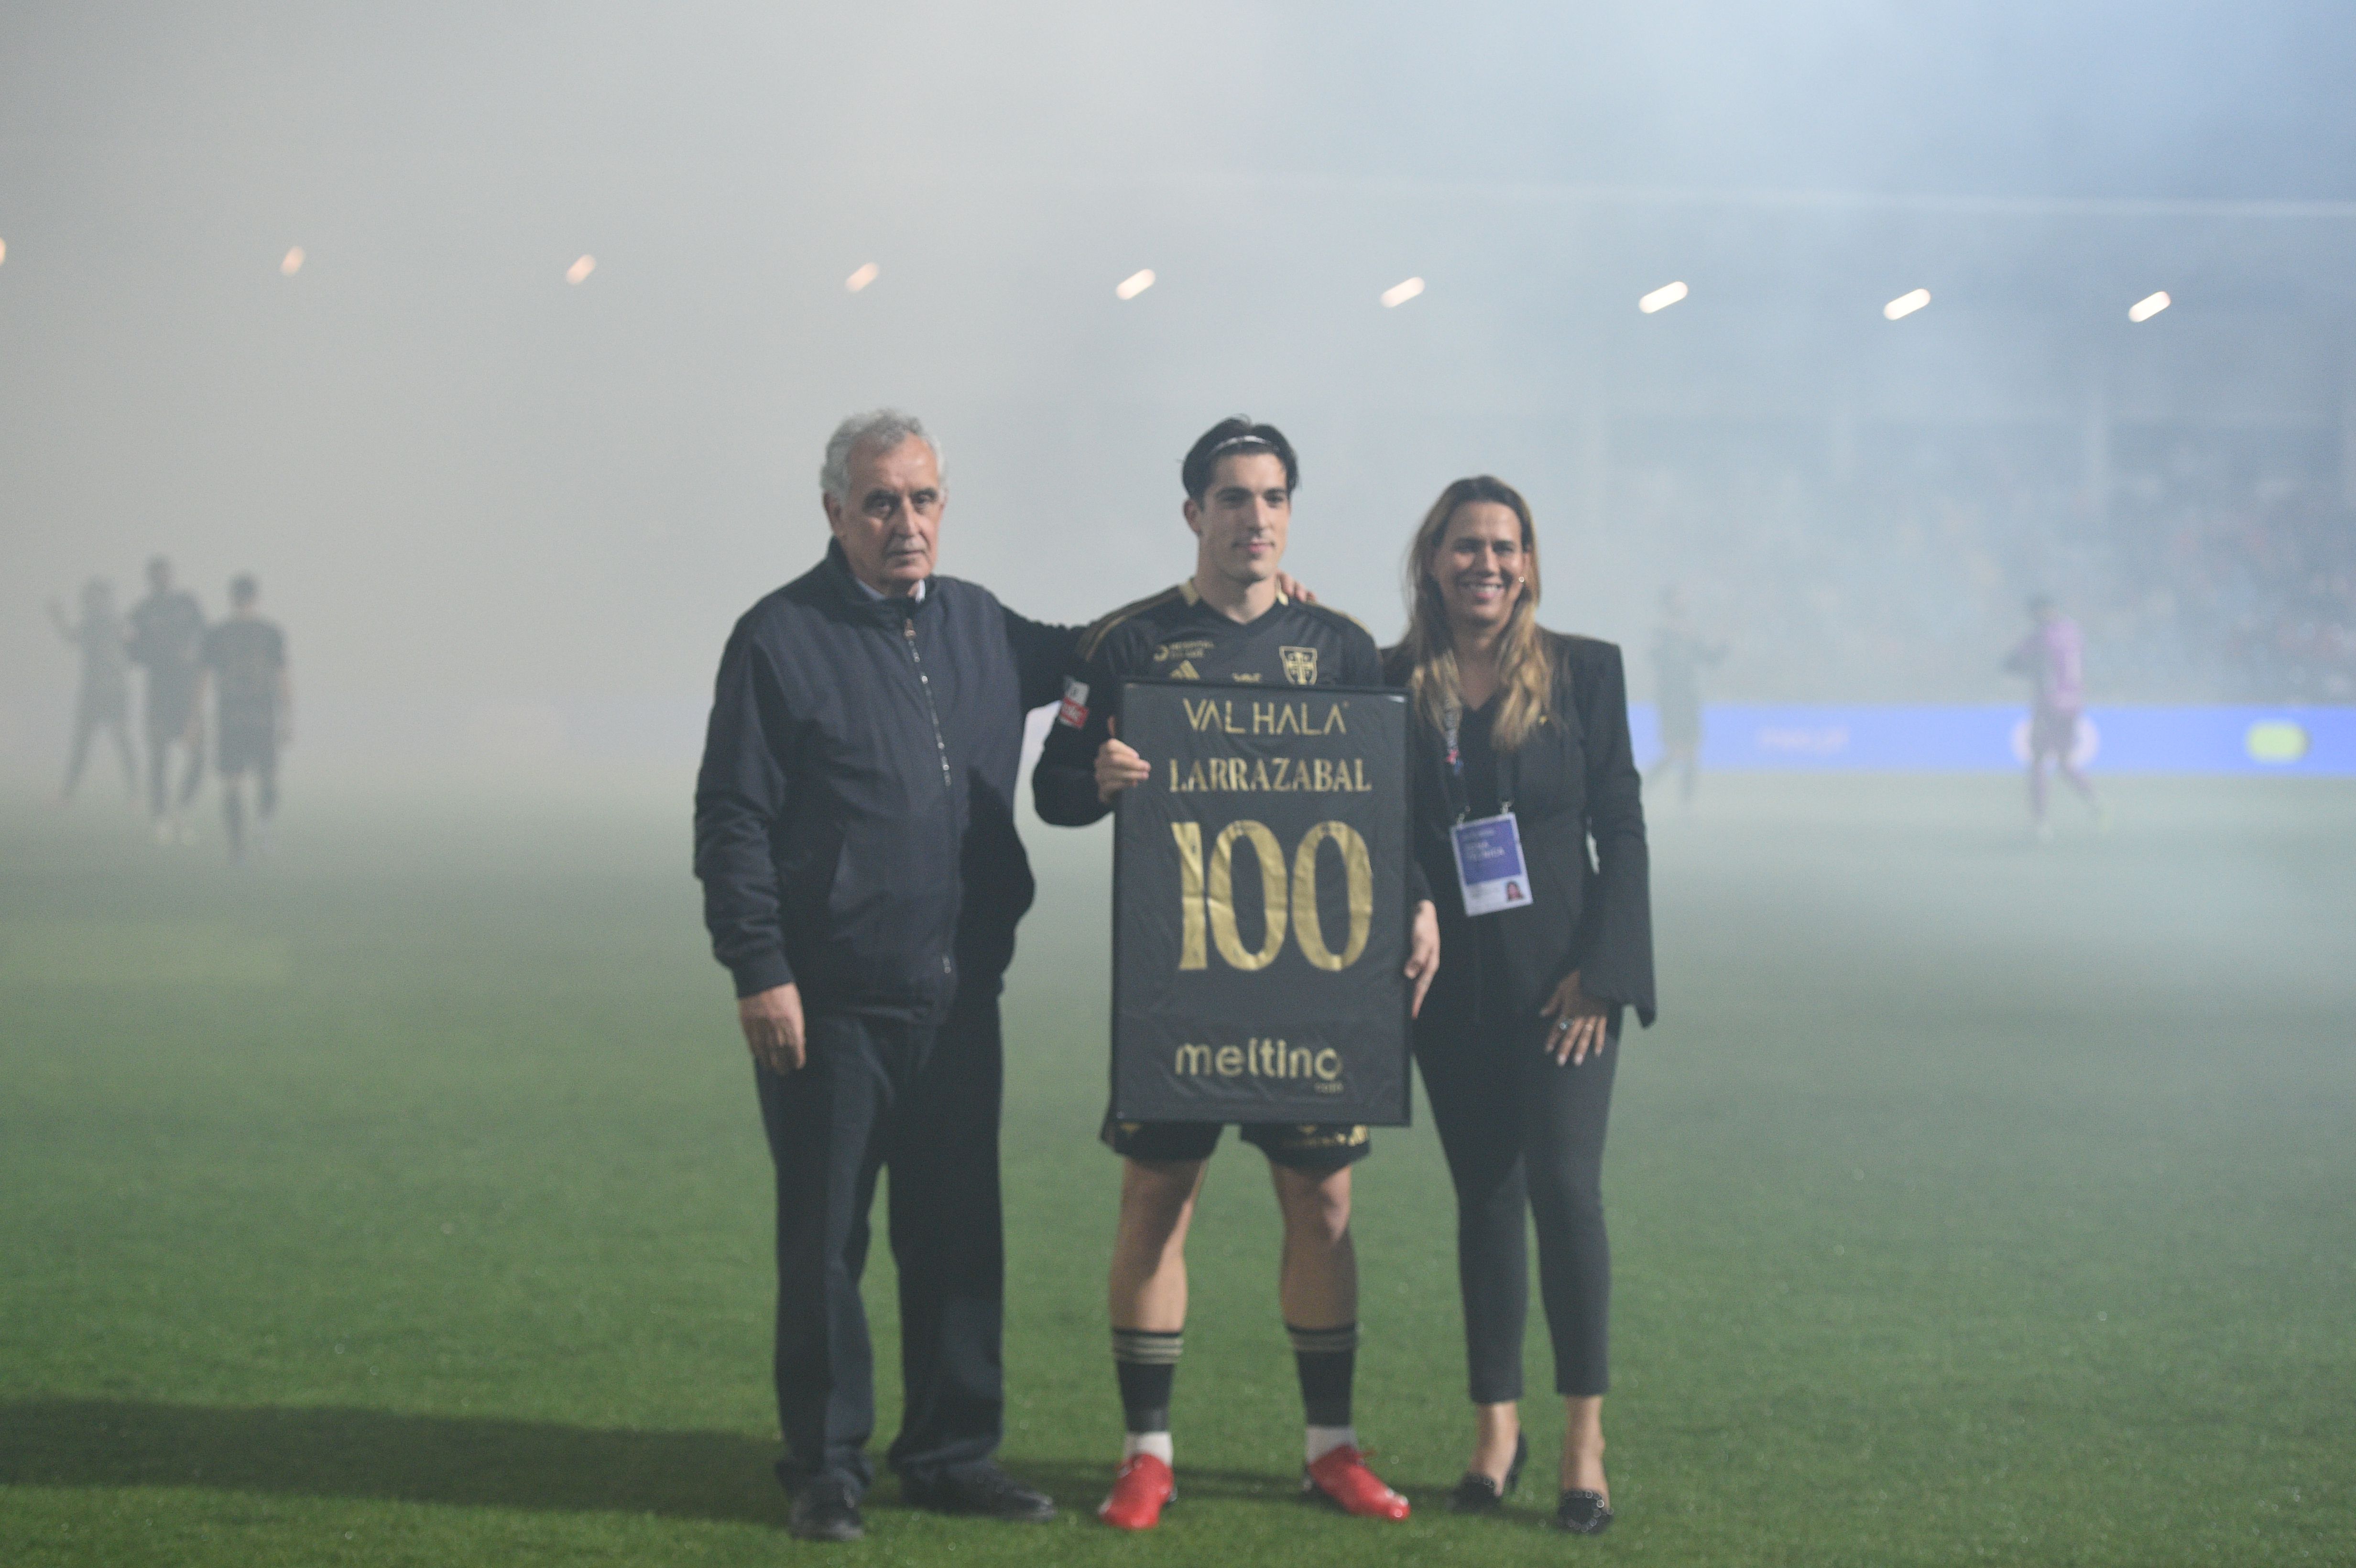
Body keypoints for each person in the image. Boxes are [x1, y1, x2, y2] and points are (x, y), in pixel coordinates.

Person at [1034, 416, 1441, 1531]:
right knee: (1158, 1197)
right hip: (1180, 977)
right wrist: (1102, 776)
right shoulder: (1128, 648)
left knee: (1324, 1199)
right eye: (1231, 498)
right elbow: (1053, 789)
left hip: (1312, 976)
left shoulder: (1342, 647)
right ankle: (1147, 1453)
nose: (1253, 517)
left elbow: (1384, 804)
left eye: (1271, 498)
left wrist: (1413, 901)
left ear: (1289, 514)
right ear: (1193, 515)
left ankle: (1331, 1446)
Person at [694, 410, 1075, 1543]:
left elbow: (1109, 648)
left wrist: (1223, 590)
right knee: (826, 1246)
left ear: (942, 508)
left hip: (960, 1000)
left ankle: (953, 1453)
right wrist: (760, 967)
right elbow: (732, 819)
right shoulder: (778, 636)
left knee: (960, 1235)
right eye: (880, 502)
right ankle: (824, 1465)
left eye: (922, 500)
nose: (905, 523)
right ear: (835, 514)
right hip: (830, 1002)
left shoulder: (980, 625)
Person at [1383, 476, 1654, 1536]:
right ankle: (1497, 1425)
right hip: (1447, 985)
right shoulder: (1391, 676)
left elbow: (1622, 829)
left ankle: (1582, 1436)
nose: (1483, 563)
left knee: (1564, 1189)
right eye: (1464, 546)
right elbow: (1383, 818)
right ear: (1433, 559)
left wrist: (1606, 973)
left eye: (1503, 546)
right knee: (1482, 1197)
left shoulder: (1586, 670)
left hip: (1566, 989)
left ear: (1529, 561)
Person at [197, 575, 291, 860]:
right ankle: (237, 846)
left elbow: (283, 675)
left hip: (261, 715)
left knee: (268, 778)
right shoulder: (218, 634)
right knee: (233, 781)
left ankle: (262, 829)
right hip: (232, 716)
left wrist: (287, 717)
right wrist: (195, 717)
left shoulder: (271, 633)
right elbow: (204, 676)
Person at [2003, 594, 2104, 841]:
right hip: (2074, 704)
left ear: (2040, 612)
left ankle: (2041, 824)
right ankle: (2096, 802)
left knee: (2038, 762)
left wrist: (2018, 667)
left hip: (2049, 705)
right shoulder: (2073, 631)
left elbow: (2015, 662)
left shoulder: (2041, 636)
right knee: (2064, 762)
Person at [124, 555, 208, 842]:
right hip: (159, 691)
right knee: (158, 757)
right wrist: (143, 651)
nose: (162, 578)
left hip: (187, 691)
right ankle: (160, 818)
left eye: (166, 573)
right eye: (156, 574)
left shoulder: (188, 603)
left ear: (171, 575)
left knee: (198, 754)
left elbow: (205, 637)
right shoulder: (142, 611)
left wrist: (194, 657)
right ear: (150, 578)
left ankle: (182, 812)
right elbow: (131, 654)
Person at [47, 578, 136, 805]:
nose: (91, 602)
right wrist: (58, 617)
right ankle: (67, 794)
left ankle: (135, 793)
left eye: (96, 597)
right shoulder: (96, 622)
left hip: (111, 692)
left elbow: (122, 651)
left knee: (121, 741)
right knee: (83, 745)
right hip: (94, 693)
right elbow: (73, 638)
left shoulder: (110, 622)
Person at [1647, 586, 1725, 807]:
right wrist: (1674, 638)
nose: (1685, 601)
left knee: (1691, 752)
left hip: (1689, 697)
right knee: (1675, 751)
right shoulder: (1661, 631)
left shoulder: (1689, 631)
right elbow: (1655, 658)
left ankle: (1686, 805)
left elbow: (1708, 659)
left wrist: (1724, 645)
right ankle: (1638, 791)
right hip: (1671, 698)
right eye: (1680, 597)